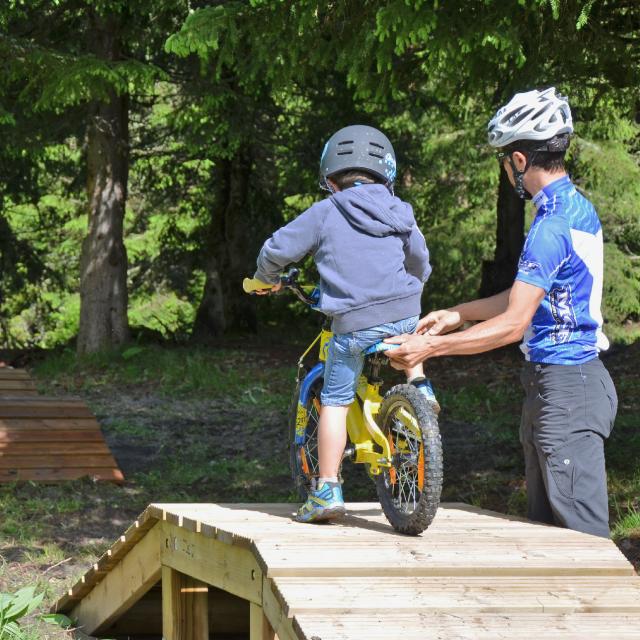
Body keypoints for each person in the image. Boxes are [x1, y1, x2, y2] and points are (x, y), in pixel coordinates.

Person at [386, 88, 618, 538]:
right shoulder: (567, 208)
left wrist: (429, 348)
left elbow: (514, 323)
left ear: (518, 159)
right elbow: (527, 296)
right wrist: (457, 313)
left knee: (585, 546)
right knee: (548, 538)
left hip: (568, 389)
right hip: (559, 388)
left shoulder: (551, 224)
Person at [251, 125, 432, 523]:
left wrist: (266, 277)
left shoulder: (326, 211)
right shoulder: (399, 209)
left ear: (330, 179)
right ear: (387, 173)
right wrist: (414, 284)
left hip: (353, 322)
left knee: (334, 399)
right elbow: (419, 259)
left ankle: (327, 488)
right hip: (404, 311)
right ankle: (420, 386)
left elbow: (276, 249)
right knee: (410, 333)